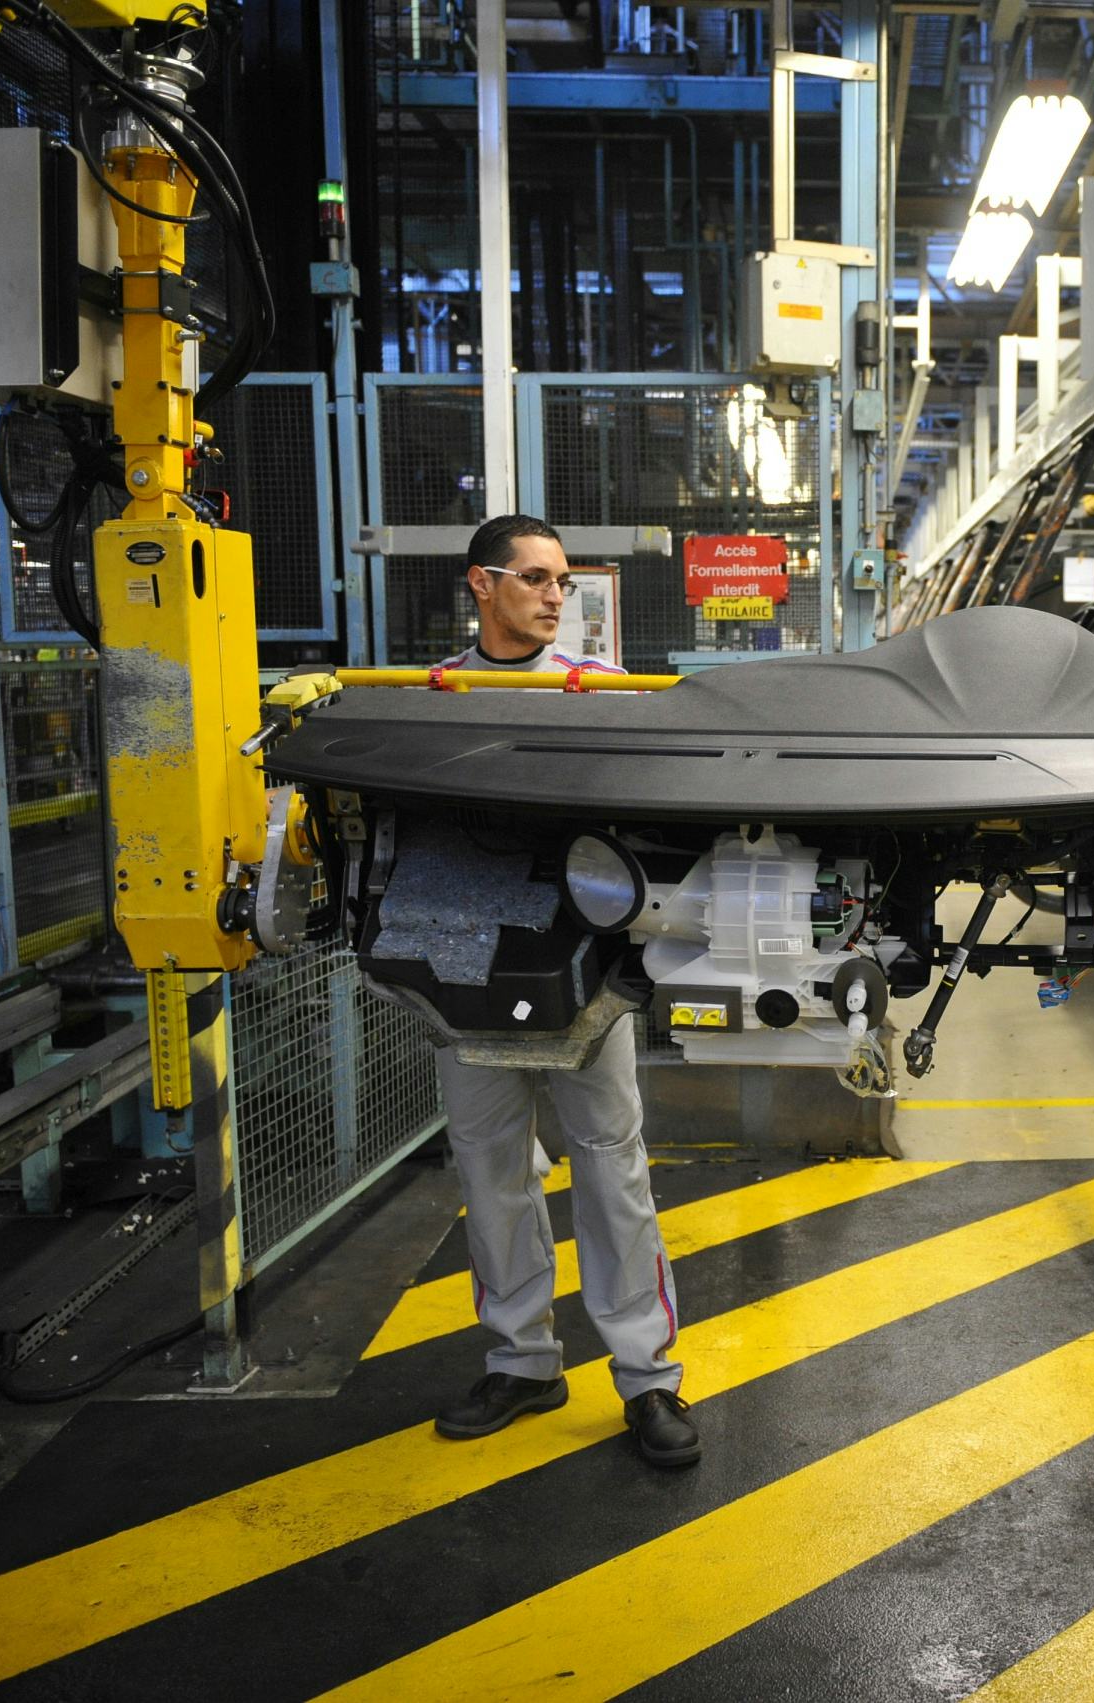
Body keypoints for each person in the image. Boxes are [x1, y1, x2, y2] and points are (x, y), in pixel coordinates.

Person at [425, 513, 699, 1468]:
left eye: (563, 582)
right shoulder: (429, 698)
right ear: (481, 586)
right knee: (489, 1166)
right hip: (467, 964)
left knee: (610, 1163)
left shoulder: (603, 695)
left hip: (584, 971)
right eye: (536, 578)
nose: (554, 596)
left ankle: (647, 1378)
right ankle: (523, 1360)